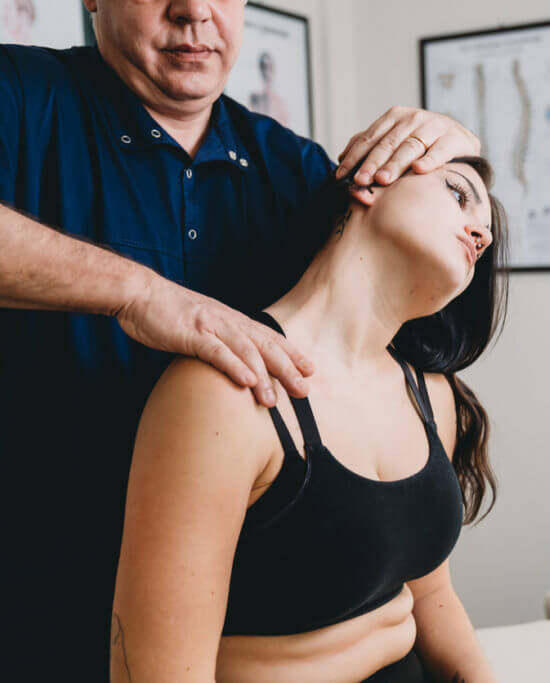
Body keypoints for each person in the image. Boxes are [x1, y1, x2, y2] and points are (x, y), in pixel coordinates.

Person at [0, 0, 481, 679]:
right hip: (23, 637)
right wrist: (138, 292)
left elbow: (408, 291)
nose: (194, 10)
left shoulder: (293, 173)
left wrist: (453, 149)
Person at [110, 154, 507, 682]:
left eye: (486, 235)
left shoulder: (432, 397)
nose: (479, 233)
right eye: (459, 194)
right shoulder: (222, 395)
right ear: (372, 182)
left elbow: (433, 600)